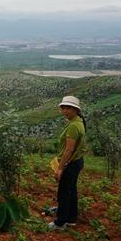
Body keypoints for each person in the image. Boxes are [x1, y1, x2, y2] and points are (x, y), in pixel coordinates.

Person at [49, 95, 87, 230]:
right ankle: (71, 217)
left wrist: (60, 168)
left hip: (70, 163)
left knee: (64, 192)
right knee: (71, 189)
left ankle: (60, 222)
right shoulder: (79, 122)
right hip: (77, 161)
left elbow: (68, 150)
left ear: (76, 110)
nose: (65, 111)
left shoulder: (73, 126)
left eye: (68, 108)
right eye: (63, 108)